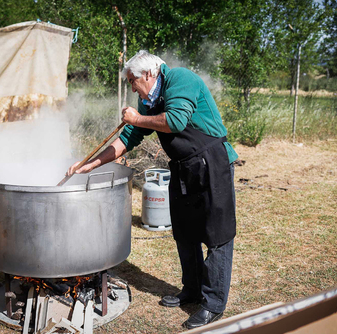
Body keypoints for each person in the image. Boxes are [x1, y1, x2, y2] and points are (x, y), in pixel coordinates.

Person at [67, 50, 237, 329]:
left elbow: (176, 121)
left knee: (216, 234)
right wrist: (90, 164)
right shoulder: (148, 99)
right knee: (185, 232)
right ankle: (192, 290)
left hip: (212, 163)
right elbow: (128, 138)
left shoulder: (180, 79)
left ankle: (213, 304)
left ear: (149, 74)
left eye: (133, 80)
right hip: (183, 167)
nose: (132, 86)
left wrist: (137, 119)